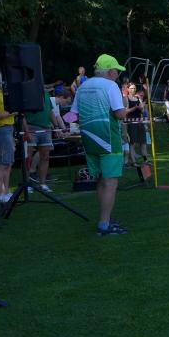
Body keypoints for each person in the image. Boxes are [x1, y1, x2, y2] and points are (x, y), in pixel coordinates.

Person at [70, 54, 128, 235]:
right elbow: (119, 114)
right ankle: (104, 224)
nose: (118, 74)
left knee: (101, 180)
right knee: (110, 182)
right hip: (109, 139)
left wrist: (61, 127)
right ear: (110, 72)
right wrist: (127, 107)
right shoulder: (111, 86)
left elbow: (72, 115)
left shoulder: (83, 86)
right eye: (117, 71)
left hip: (89, 140)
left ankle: (105, 219)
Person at [24, 91, 65, 193]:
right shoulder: (26, 92)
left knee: (45, 157)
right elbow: (22, 114)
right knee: (28, 157)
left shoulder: (46, 94)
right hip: (31, 127)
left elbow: (50, 111)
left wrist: (56, 127)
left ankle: (42, 184)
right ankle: (26, 183)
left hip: (46, 129)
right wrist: (26, 130)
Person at [0, 72, 14, 204]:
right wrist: (11, 112)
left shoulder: (0, 94)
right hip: (1, 130)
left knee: (6, 164)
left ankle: (5, 192)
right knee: (1, 165)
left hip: (5, 129)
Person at [124, 84, 148, 165]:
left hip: (140, 122)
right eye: (131, 88)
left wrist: (142, 108)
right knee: (132, 142)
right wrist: (135, 108)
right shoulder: (126, 98)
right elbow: (126, 111)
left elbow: (142, 111)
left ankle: (146, 160)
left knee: (143, 142)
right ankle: (134, 161)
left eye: (134, 88)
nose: (133, 90)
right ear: (128, 89)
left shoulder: (138, 98)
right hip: (131, 123)